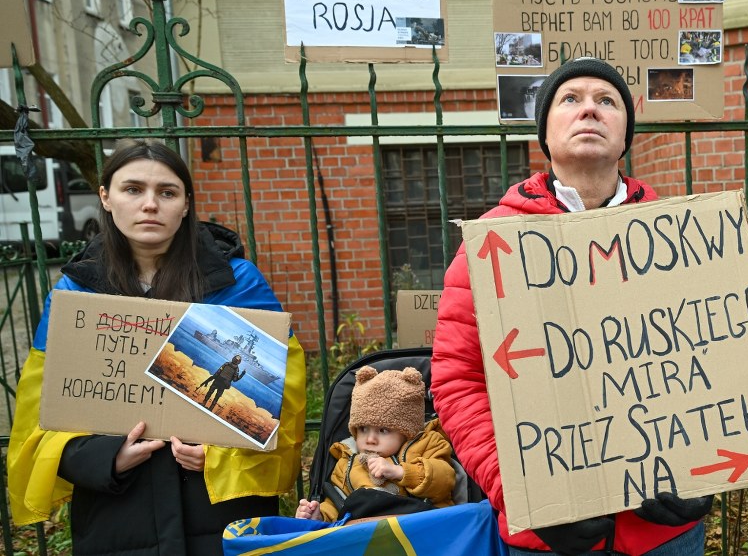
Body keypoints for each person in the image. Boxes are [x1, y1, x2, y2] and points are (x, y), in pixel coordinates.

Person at [431, 57, 712, 556]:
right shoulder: (492, 243)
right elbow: (459, 382)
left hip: (662, 537)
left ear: (626, 133)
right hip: (546, 538)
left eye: (607, 101)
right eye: (570, 99)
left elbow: (715, 363)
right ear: (546, 132)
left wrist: (703, 470)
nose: (590, 110)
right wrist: (522, 492)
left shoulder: (679, 238)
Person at [7, 139, 307, 556]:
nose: (150, 204)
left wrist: (220, 457)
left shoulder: (239, 283)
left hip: (221, 511)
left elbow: (285, 402)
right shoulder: (75, 291)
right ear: (106, 198)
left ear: (186, 205)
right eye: (133, 189)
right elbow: (43, 411)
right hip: (118, 513)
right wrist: (105, 457)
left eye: (167, 192)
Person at [295, 366, 456, 522]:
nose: (370, 439)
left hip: (425, 526)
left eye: (383, 430)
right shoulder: (348, 461)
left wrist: (401, 472)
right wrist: (319, 515)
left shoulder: (427, 443)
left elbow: (445, 480)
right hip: (370, 534)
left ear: (407, 432)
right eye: (363, 429)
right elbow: (337, 503)